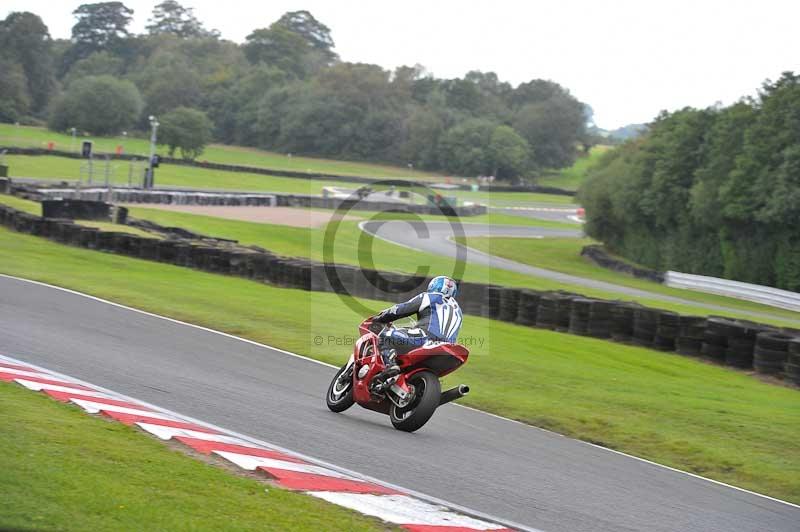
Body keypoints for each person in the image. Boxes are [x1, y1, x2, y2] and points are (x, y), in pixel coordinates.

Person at [370, 276, 463, 384]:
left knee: (385, 336)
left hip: (425, 338)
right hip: (448, 347)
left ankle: (390, 366)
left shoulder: (430, 297)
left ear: (434, 285)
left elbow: (401, 309)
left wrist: (380, 318)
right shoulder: (459, 310)